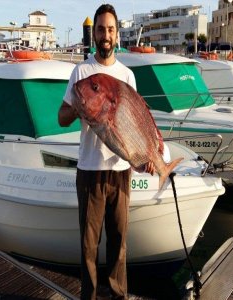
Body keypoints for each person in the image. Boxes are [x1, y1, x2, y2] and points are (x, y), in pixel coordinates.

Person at [58, 4, 154, 299]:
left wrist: (146, 157)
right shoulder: (82, 71)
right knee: (89, 246)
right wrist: (79, 106)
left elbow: (136, 125)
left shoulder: (127, 75)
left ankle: (118, 295)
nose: (106, 34)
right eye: (101, 29)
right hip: (89, 170)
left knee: (119, 242)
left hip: (120, 171)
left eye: (111, 29)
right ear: (94, 33)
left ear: (117, 33)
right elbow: (61, 117)